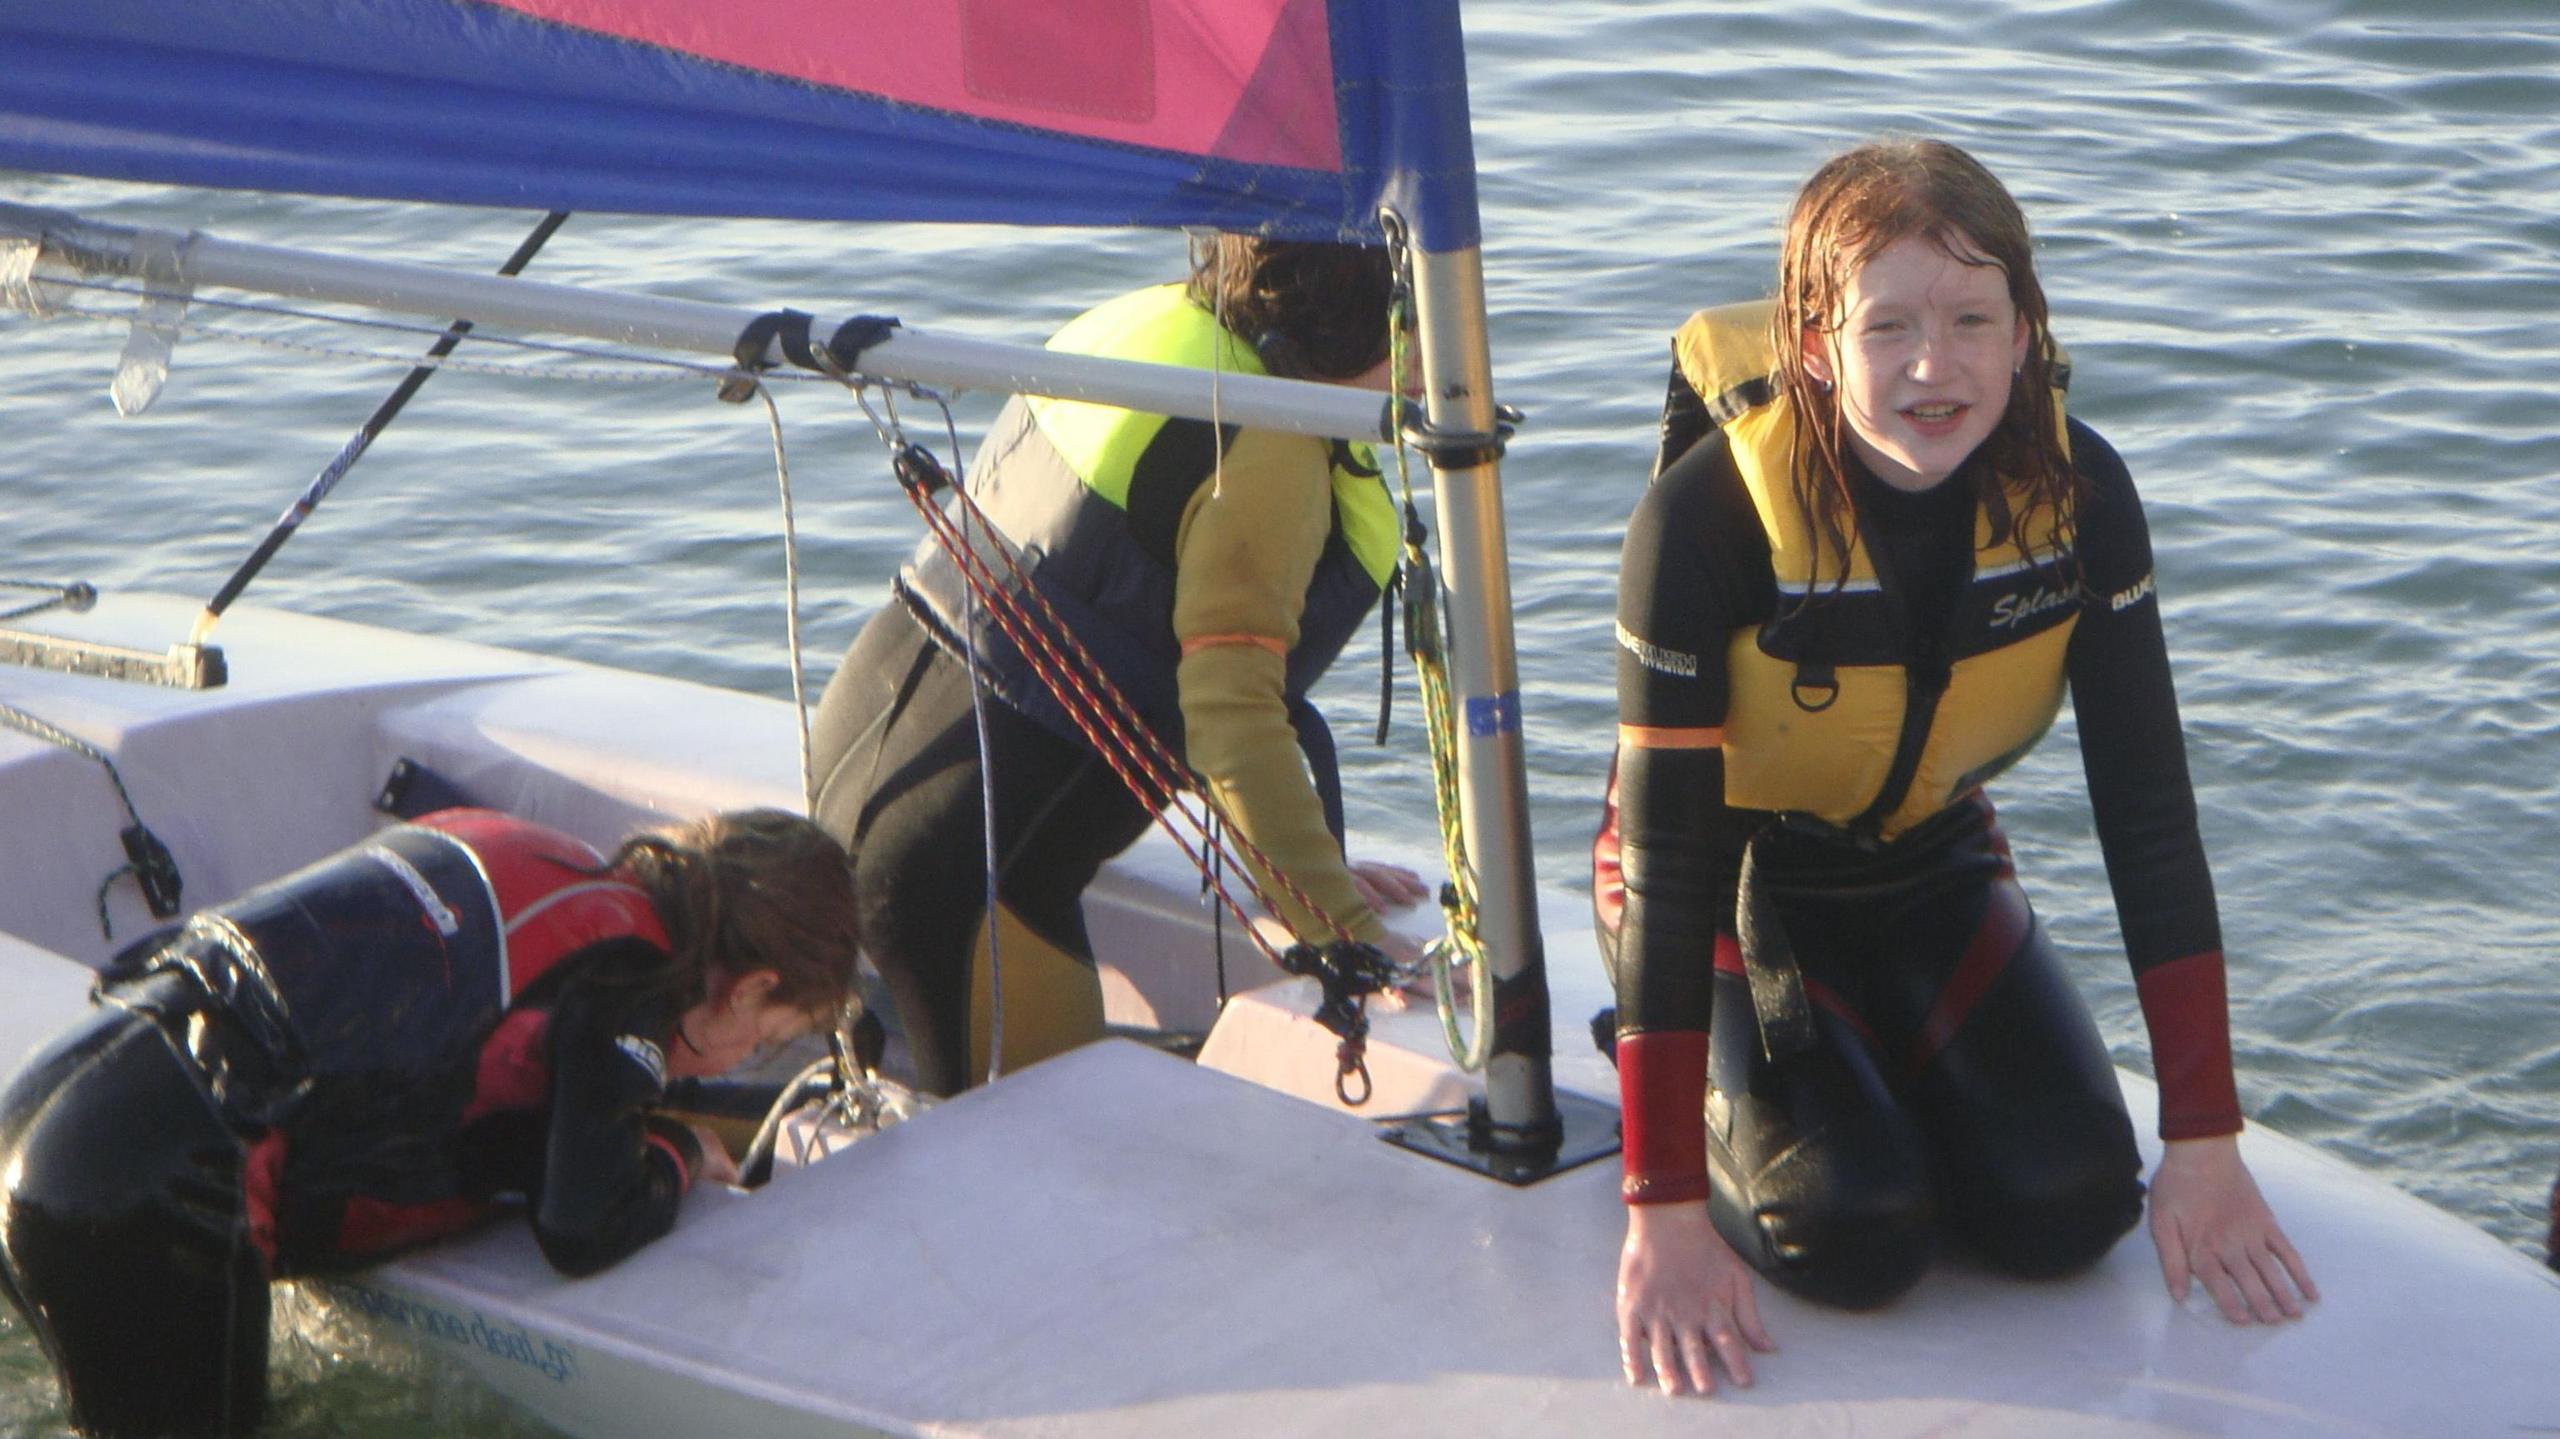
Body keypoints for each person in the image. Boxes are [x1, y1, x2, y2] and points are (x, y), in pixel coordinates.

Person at [1591, 137, 2317, 1397]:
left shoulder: (2080, 493)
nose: (1937, 366)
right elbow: (1660, 857)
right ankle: (1734, 1081)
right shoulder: (1705, 520)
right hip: (1723, 892)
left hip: (1927, 868)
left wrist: (2204, 1139)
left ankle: (1869, 1071)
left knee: (2069, 1206)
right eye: (1890, 327)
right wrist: (1658, 1206)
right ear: (1814, 343)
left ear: (2026, 330)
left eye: (1975, 317)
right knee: (1855, 1228)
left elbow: (2147, 813)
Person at [0, 806, 860, 1438]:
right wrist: (675, 1149)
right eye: (765, 1040)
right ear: (748, 989)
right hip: (143, 1192)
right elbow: (583, 1226)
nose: (740, 1059)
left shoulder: (528, 851)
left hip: (58, 1096)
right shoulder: (625, 987)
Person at [811, 234, 1427, 1098]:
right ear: (1393, 329)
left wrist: (1297, 855)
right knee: (1052, 1174)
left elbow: (1125, 621)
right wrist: (1339, 924)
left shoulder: (1160, 334)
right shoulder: (1275, 444)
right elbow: (1231, 715)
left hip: (863, 756)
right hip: (968, 876)